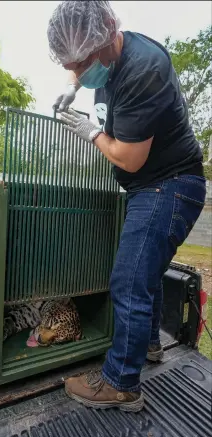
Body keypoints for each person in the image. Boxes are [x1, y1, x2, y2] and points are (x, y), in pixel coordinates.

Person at [47, 1, 206, 412]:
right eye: (72, 65)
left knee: (130, 280)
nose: (77, 72)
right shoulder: (102, 57)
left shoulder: (143, 68)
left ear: (104, 41)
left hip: (168, 185)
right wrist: (75, 85)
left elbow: (130, 158)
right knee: (147, 275)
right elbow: (81, 61)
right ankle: (148, 344)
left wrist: (91, 131)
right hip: (150, 187)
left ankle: (121, 383)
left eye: (81, 65)